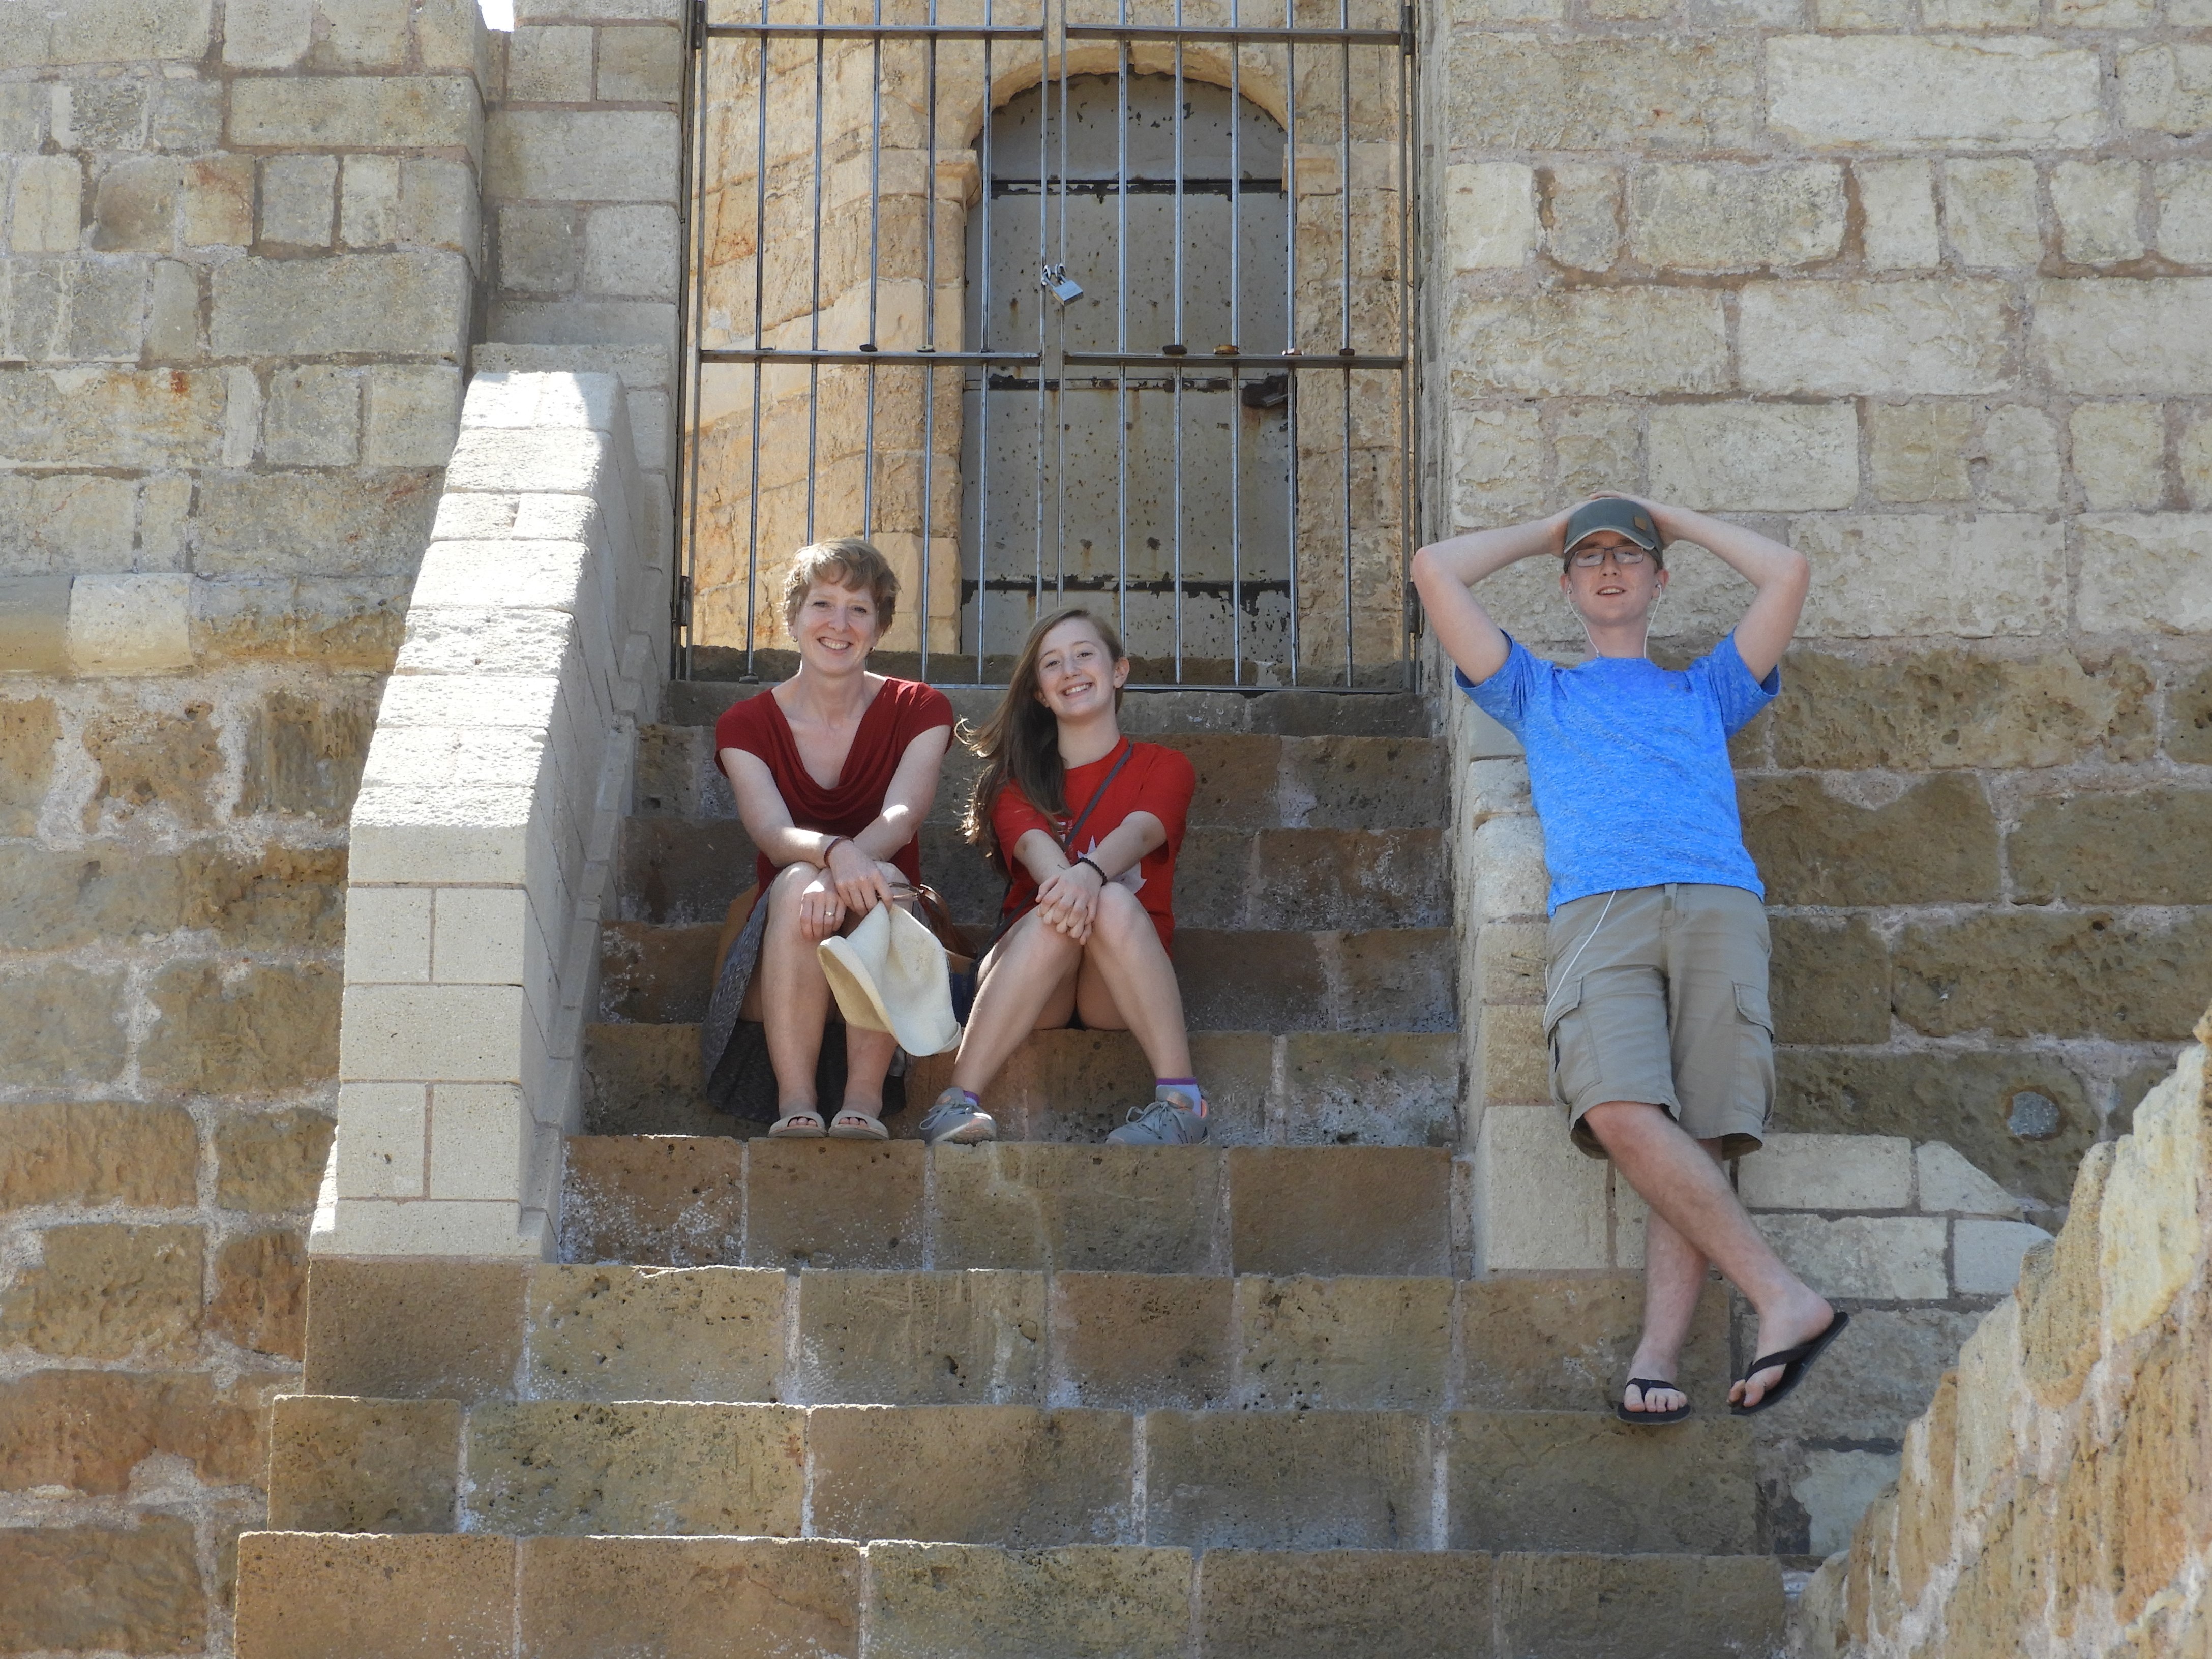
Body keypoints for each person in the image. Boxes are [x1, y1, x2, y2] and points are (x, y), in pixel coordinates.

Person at [1411, 493, 1847, 1419]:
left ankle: (1658, 1353)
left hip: (1717, 902)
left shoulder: (1708, 689)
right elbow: (1433, 571)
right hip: (1600, 911)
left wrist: (1672, 517)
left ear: (1659, 579)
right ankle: (1782, 1296)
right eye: (1590, 557)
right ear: (1567, 586)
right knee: (1614, 1105)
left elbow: (1788, 573)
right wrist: (1551, 530)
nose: (1609, 568)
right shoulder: (1537, 690)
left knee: (1702, 1130)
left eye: (1628, 554)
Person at [917, 607, 1206, 1147]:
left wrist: (1092, 873)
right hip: (1036, 975)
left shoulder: (1166, 766)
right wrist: (1080, 882)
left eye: (1084, 654)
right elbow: (1036, 850)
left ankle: (1183, 1105)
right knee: (1058, 911)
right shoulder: (1014, 782)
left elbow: (1144, 829)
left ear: (1119, 671)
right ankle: (955, 1103)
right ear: (1040, 694)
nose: (1070, 670)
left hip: (1115, 982)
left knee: (1111, 902)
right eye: (1052, 663)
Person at [701, 539, 955, 1139]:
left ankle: (864, 1099)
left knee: (881, 880)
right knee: (795, 881)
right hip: (791, 934)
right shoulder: (744, 724)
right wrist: (834, 855)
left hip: (886, 917)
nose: (839, 624)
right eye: (822, 604)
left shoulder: (921, 707)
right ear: (793, 618)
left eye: (858, 609)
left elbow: (903, 815)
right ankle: (796, 1099)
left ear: (879, 627)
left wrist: (847, 870)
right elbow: (772, 833)